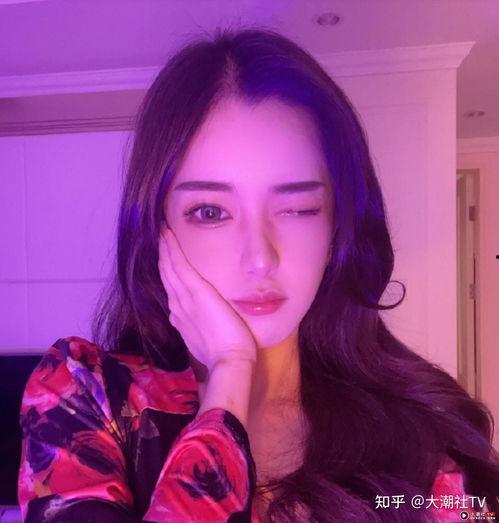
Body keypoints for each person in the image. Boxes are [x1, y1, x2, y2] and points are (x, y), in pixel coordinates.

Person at [17, 26, 499, 523]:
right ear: (157, 230)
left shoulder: (423, 452)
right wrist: (230, 375)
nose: (260, 258)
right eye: (210, 212)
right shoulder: (84, 396)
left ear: (337, 227)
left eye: (298, 209)